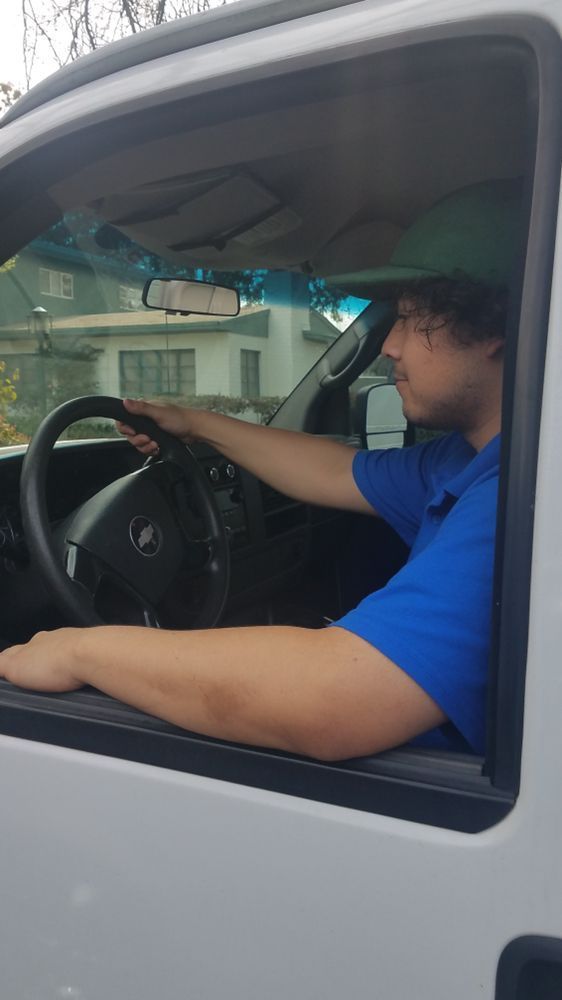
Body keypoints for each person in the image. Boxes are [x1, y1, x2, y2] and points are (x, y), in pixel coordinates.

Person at [0, 179, 522, 760]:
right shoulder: (472, 456)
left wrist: (79, 650)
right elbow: (335, 471)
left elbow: (334, 700)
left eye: (408, 318)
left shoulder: (520, 499)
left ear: (495, 325)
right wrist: (196, 425)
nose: (391, 346)